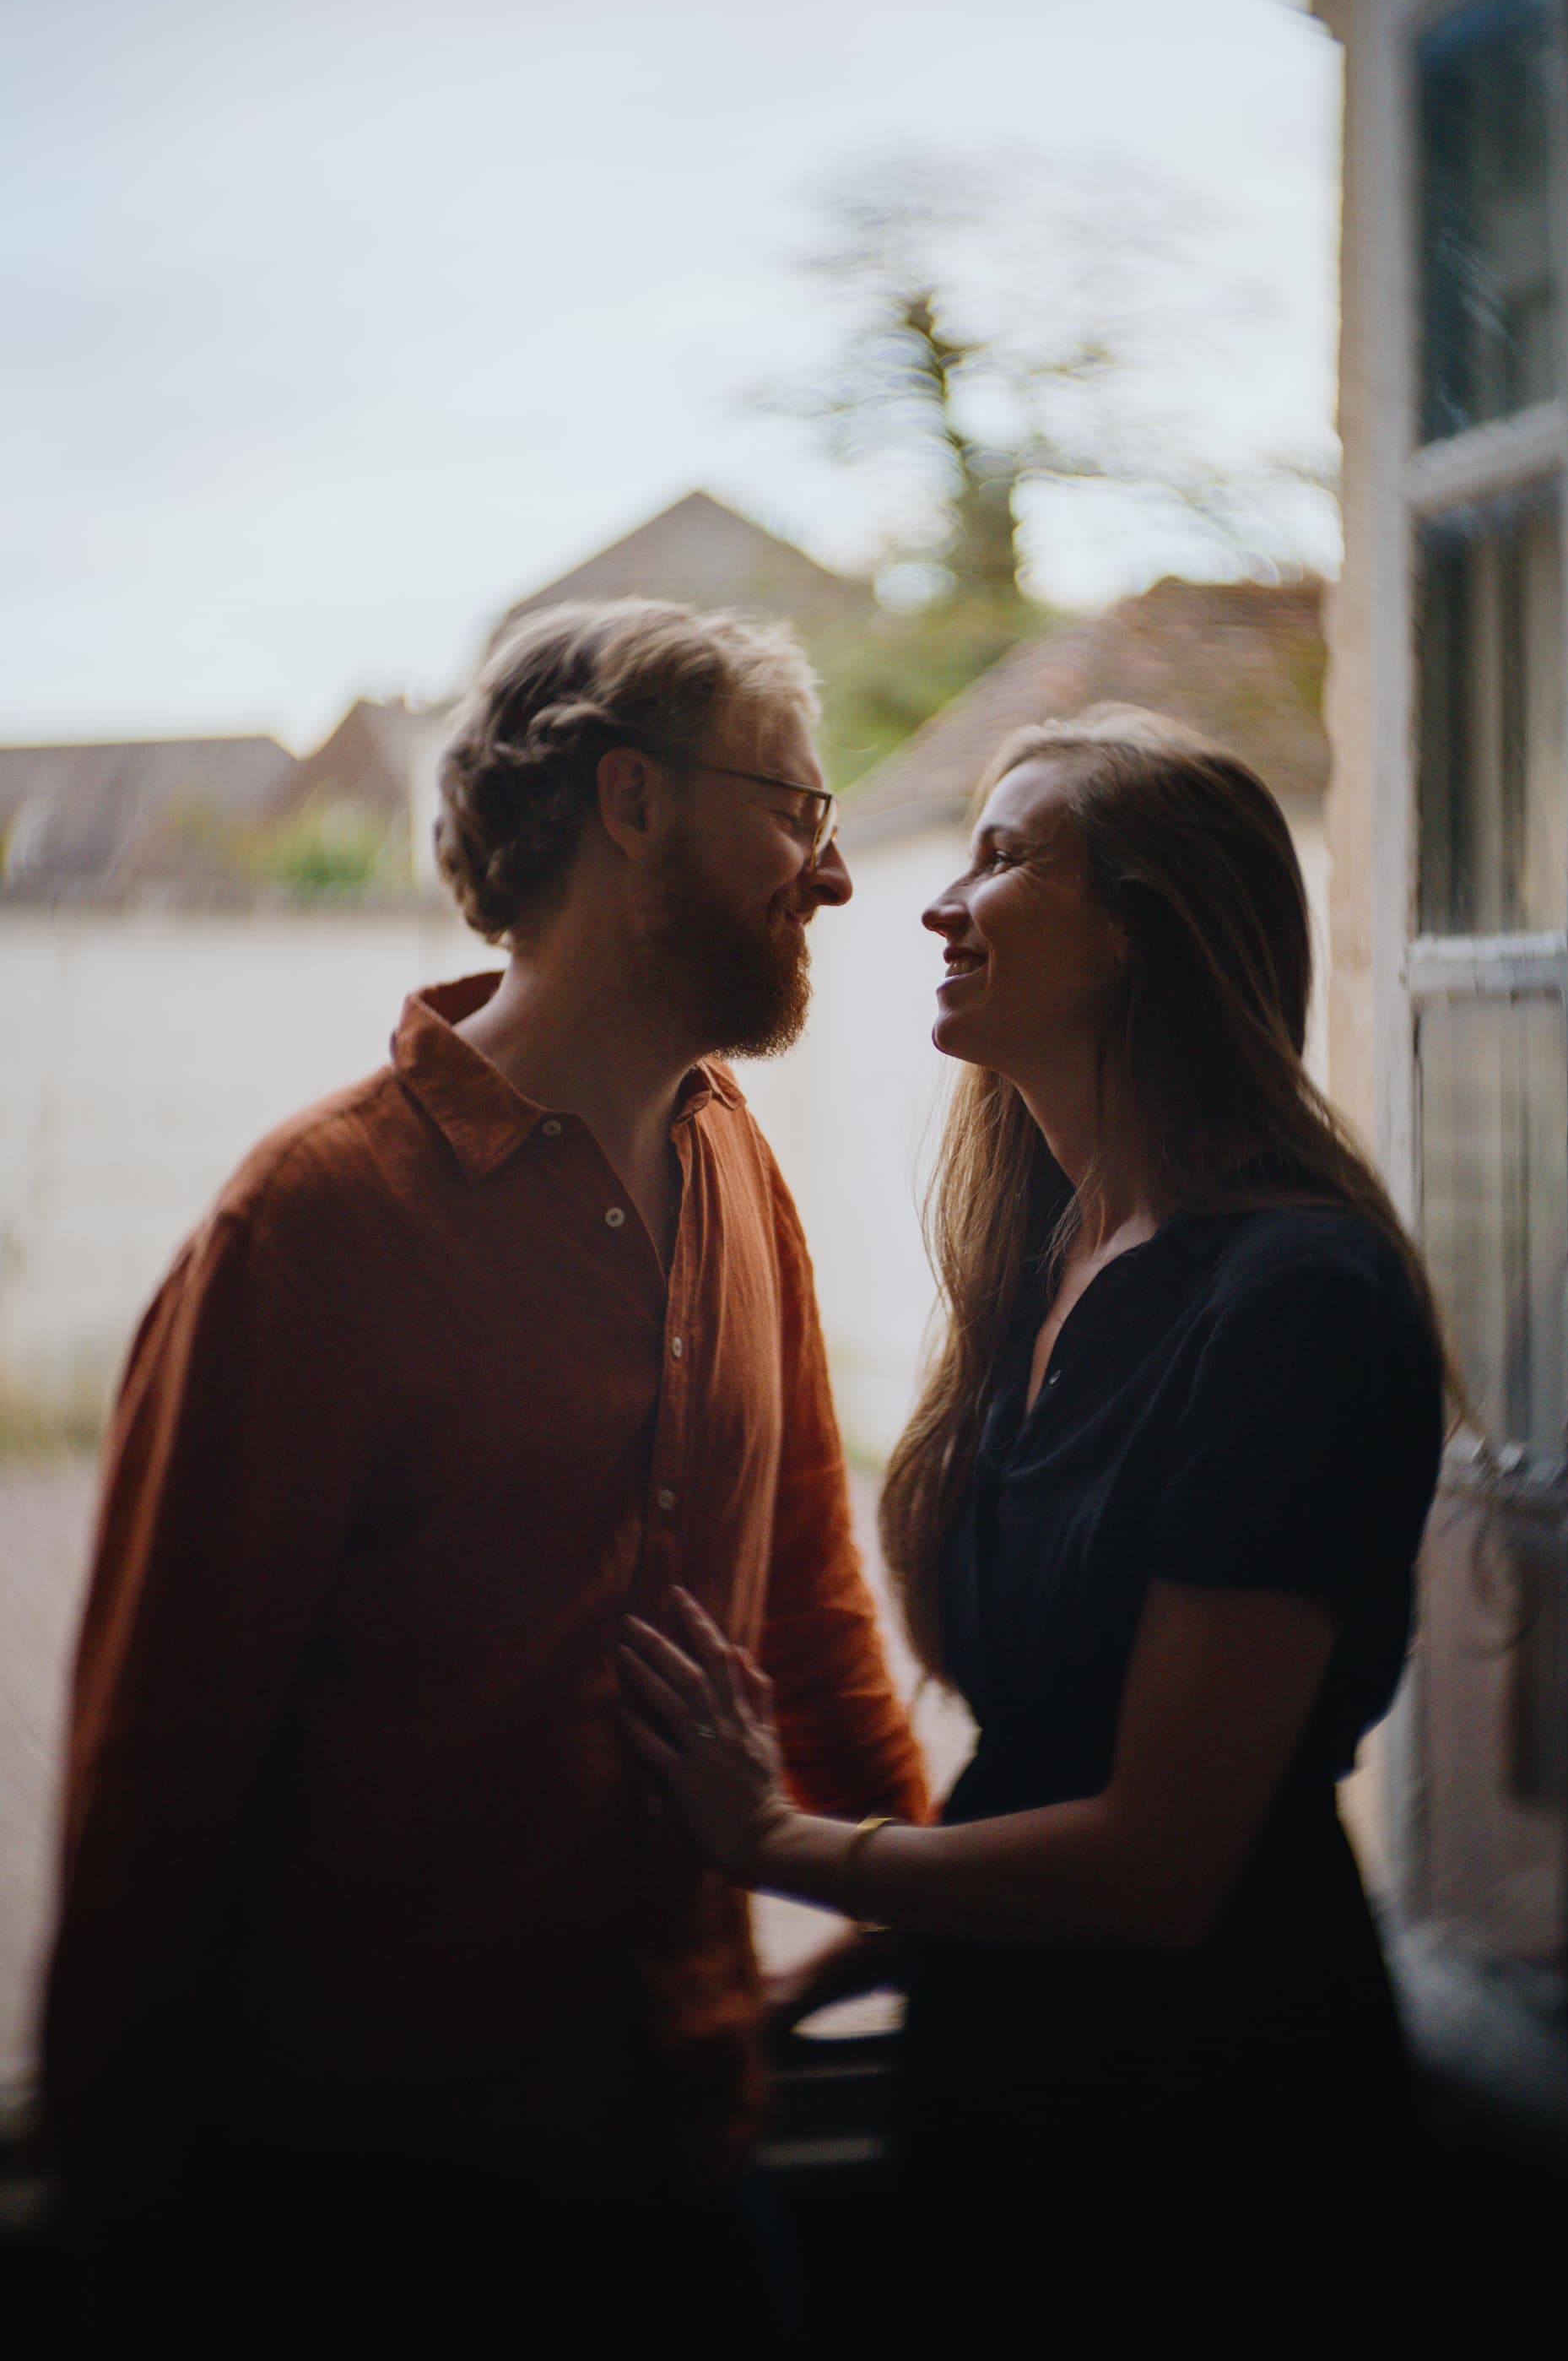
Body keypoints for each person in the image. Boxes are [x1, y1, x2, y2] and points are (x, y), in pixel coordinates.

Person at [43, 596, 929, 2354]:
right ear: (631, 801)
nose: (830, 880)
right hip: (374, 2225)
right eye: (799, 811)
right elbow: (156, 1780)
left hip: (688, 2159)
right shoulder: (309, 1228)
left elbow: (811, 1614)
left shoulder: (739, 1174)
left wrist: (918, 1909)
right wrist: (116, 2249)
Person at [620, 706, 1449, 2342]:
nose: (937, 905)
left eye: (1003, 859)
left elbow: (1154, 1861)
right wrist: (831, 1971)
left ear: (1143, 933)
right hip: (1009, 2090)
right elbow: (1046, 1764)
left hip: (1206, 2142)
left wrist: (773, 1841)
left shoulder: (1294, 1307)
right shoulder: (1050, 1261)